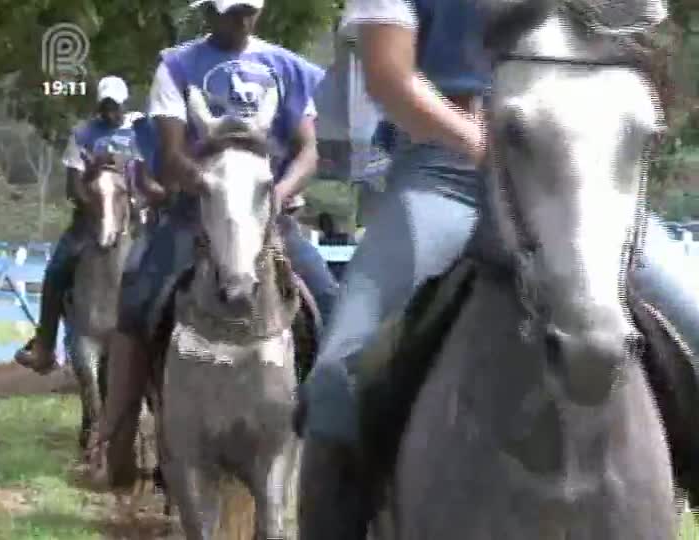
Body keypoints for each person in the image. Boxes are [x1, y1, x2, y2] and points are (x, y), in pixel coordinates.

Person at [297, 1, 699, 539]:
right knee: (335, 379)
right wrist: (482, 141)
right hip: (446, 169)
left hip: (583, 171)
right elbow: (389, 75)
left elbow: (643, 39)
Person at [94, 0, 339, 488]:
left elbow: (310, 149)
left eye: (249, 10)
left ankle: (332, 432)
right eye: (231, 11)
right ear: (207, 12)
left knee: (332, 301)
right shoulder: (177, 65)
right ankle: (115, 434)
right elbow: (168, 153)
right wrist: (209, 189)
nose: (242, 19)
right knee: (139, 293)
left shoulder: (286, 67)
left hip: (270, 216)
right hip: (193, 215)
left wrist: (277, 195)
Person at [14, 76, 155, 374]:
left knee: (166, 264)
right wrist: (99, 211)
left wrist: (135, 204)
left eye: (115, 107)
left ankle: (166, 348)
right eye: (105, 107)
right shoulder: (83, 134)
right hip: (90, 221)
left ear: (125, 103)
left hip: (134, 218)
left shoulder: (140, 132)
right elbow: (73, 187)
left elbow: (145, 180)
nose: (110, 113)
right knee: (56, 270)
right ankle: (44, 346)